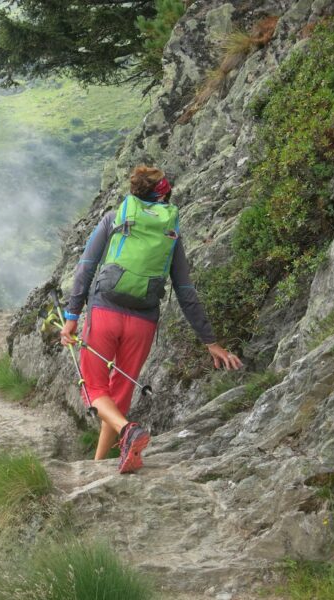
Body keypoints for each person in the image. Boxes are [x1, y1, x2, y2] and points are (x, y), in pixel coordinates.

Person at [59, 165, 242, 474]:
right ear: (165, 194)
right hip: (143, 322)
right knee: (118, 395)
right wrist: (210, 342)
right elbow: (185, 290)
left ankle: (128, 432)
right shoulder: (170, 233)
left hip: (105, 311)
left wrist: (72, 316)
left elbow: (86, 267)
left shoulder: (116, 219)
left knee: (94, 389)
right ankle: (100, 464)